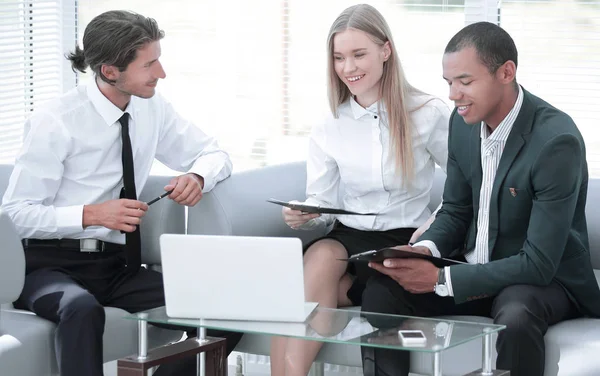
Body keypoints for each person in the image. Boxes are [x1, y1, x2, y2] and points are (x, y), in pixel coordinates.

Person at [1, 10, 242, 376]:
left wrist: (197, 176)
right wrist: (91, 215)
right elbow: (16, 214)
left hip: (117, 267)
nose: (161, 73)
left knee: (227, 309)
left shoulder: (152, 107)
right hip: (49, 266)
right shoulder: (56, 121)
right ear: (111, 71)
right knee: (81, 309)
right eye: (150, 64)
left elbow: (214, 153)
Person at [360, 21, 600, 376]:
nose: (454, 95)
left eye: (466, 82)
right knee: (382, 292)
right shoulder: (463, 124)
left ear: (506, 72)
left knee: (516, 316)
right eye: (449, 83)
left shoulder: (556, 142)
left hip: (540, 281)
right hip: (472, 268)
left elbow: (538, 263)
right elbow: (456, 210)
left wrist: (441, 281)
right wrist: (425, 251)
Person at [269, 4, 450, 376]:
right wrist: (305, 213)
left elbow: (468, 185)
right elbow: (323, 201)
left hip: (404, 237)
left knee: (294, 293)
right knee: (317, 261)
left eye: (358, 54)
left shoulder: (428, 113)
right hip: (348, 238)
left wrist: (434, 227)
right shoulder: (329, 124)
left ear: (386, 51)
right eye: (338, 58)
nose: (347, 68)